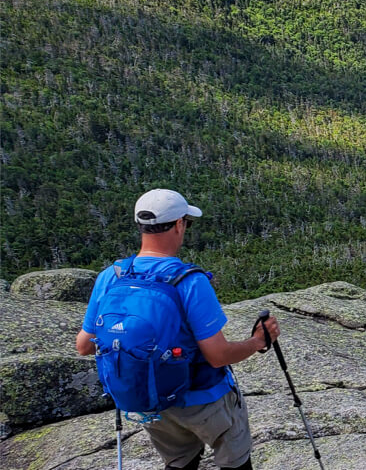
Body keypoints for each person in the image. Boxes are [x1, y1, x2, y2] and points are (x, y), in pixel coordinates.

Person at [75, 189, 280, 470]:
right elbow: (218, 356)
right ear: (179, 224)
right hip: (203, 396)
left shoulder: (111, 277)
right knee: (235, 461)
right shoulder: (189, 281)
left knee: (180, 462)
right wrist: (258, 341)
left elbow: (83, 346)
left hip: (149, 399)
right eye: (186, 223)